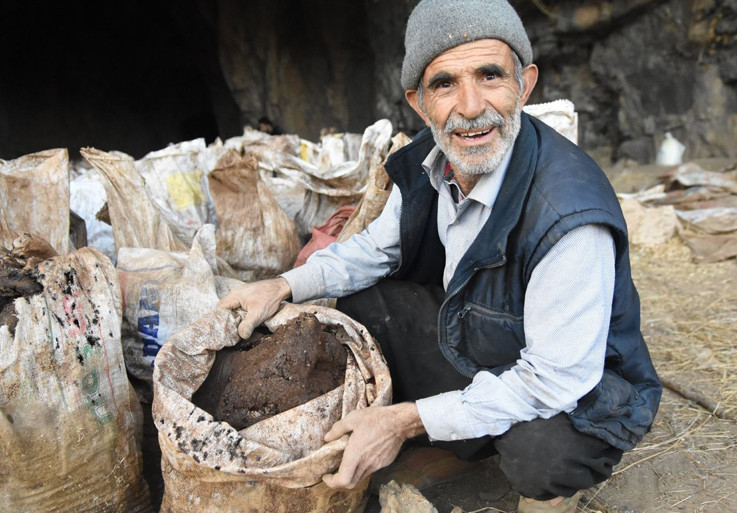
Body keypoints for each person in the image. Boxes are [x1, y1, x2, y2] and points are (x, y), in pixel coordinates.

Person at [218, 0, 662, 511]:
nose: (471, 107)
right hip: (482, 335)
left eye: (490, 75)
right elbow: (373, 252)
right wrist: (282, 285)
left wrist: (405, 418)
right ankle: (454, 440)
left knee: (544, 454)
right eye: (445, 84)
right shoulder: (430, 165)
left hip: (574, 382)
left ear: (525, 84)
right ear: (420, 102)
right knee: (364, 304)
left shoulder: (569, 214)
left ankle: (530, 486)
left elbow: (554, 378)